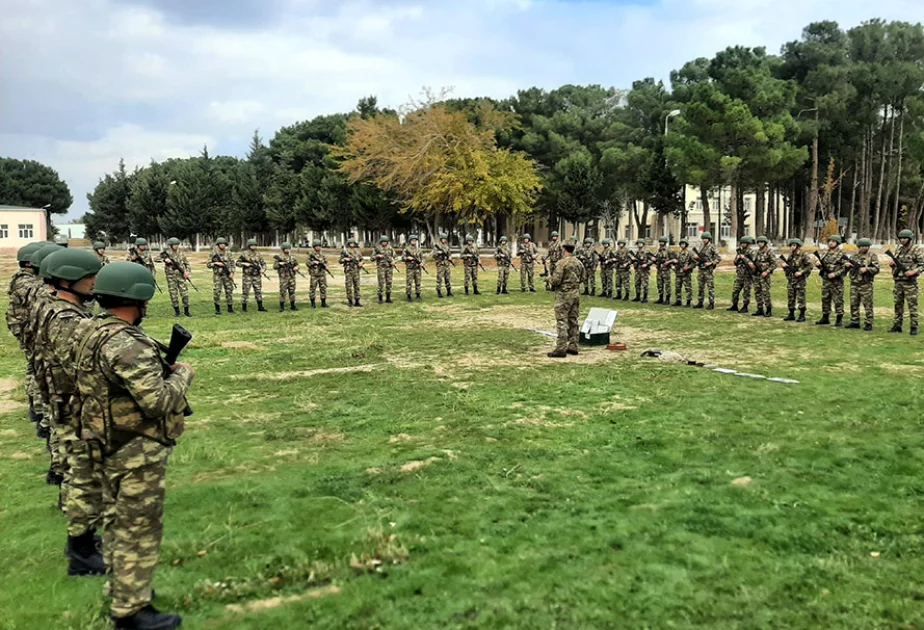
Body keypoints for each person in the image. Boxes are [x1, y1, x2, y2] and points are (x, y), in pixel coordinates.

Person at [72, 262, 194, 630]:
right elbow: (157, 402)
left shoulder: (92, 330)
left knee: (115, 521)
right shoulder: (126, 344)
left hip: (106, 442)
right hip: (135, 449)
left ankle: (123, 587)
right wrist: (184, 376)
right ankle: (131, 610)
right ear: (137, 299)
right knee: (138, 528)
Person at [33, 249, 105, 576]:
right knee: (83, 474)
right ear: (67, 280)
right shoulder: (65, 319)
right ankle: (82, 551)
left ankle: (84, 540)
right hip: (72, 404)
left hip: (65, 400)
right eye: (89, 277)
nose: (94, 283)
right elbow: (78, 366)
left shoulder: (59, 308)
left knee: (79, 471)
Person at [7, 242, 45, 428]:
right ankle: (37, 410)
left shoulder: (22, 279)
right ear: (30, 264)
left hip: (25, 329)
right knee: (38, 368)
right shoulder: (27, 283)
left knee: (34, 368)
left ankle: (34, 407)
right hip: (29, 331)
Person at [546, 243, 584, 358]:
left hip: (564, 295)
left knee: (562, 320)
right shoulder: (579, 263)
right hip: (575, 294)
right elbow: (583, 278)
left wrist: (549, 279)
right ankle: (573, 346)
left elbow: (556, 280)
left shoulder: (562, 263)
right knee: (573, 319)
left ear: (564, 251)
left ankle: (561, 348)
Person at [888, 228, 924, 335]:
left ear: (910, 239)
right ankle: (897, 325)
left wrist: (913, 272)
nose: (902, 240)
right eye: (901, 238)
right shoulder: (899, 249)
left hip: (910, 283)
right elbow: (896, 261)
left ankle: (914, 326)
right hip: (898, 281)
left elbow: (922, 265)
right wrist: (892, 264)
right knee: (898, 305)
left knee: (912, 305)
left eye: (905, 238)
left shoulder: (916, 250)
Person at [843, 237, 879, 331]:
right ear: (859, 247)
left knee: (868, 304)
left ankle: (869, 322)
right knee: (853, 303)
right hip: (854, 283)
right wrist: (847, 266)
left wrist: (867, 269)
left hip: (866, 284)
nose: (864, 248)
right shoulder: (854, 257)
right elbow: (847, 268)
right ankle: (855, 321)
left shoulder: (872, 256)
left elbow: (876, 269)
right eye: (862, 246)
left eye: (866, 246)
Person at [814, 235, 847, 327]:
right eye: (830, 241)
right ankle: (825, 317)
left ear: (837, 243)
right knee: (825, 299)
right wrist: (818, 265)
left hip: (837, 282)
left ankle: (839, 319)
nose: (831, 243)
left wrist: (835, 274)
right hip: (826, 280)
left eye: (833, 241)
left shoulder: (842, 254)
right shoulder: (825, 253)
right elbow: (823, 267)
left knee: (838, 300)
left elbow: (845, 268)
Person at [779, 238, 813, 322]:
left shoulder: (803, 255)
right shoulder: (791, 255)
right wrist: (785, 267)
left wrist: (801, 272)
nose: (792, 247)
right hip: (791, 279)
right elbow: (789, 267)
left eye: (794, 245)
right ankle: (791, 314)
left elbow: (810, 265)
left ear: (798, 246)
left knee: (801, 297)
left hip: (800, 280)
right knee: (791, 297)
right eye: (791, 245)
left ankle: (802, 315)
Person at [158, 238, 192, 318]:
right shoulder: (166, 253)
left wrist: (187, 272)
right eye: (174, 245)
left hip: (181, 276)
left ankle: (186, 311)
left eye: (177, 245)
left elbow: (187, 264)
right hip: (171, 277)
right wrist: (165, 260)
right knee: (173, 294)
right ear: (171, 245)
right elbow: (156, 259)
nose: (176, 246)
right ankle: (177, 312)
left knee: (185, 294)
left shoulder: (181, 253)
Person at [206, 237, 236, 315]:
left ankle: (230, 308)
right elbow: (208, 264)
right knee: (217, 291)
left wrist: (232, 273)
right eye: (221, 244)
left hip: (227, 275)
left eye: (224, 244)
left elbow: (232, 263)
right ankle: (217, 309)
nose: (223, 245)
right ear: (218, 244)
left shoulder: (228, 252)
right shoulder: (213, 253)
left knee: (229, 291)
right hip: (217, 276)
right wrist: (216, 263)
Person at [237, 239, 268, 312]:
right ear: (249, 246)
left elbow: (263, 263)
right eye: (252, 245)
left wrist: (263, 269)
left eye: (255, 245)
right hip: (247, 276)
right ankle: (244, 308)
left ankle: (260, 307)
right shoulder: (244, 254)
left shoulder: (258, 254)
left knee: (258, 291)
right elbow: (238, 263)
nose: (254, 246)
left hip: (256, 275)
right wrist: (244, 264)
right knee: (245, 292)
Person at [693, 232, 721, 310]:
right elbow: (698, 258)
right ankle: (700, 302)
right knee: (700, 287)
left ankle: (711, 303)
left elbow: (718, 258)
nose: (704, 240)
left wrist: (711, 263)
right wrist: (696, 258)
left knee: (710, 287)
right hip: (701, 269)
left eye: (705, 239)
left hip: (708, 270)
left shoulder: (712, 247)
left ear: (709, 239)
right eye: (703, 239)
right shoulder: (701, 247)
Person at [752, 236, 777, 317]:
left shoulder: (769, 252)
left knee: (765, 293)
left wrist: (767, 271)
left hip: (765, 276)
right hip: (757, 275)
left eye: (761, 242)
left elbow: (774, 264)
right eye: (759, 242)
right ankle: (760, 309)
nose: (760, 244)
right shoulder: (757, 252)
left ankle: (768, 309)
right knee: (757, 292)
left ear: (765, 243)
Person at [729, 236, 755, 313]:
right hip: (740, 275)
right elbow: (735, 263)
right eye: (742, 243)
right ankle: (734, 305)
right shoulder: (740, 252)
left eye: (744, 243)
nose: (743, 244)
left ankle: (745, 306)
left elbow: (753, 264)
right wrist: (737, 258)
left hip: (747, 275)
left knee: (746, 292)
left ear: (748, 244)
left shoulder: (751, 252)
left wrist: (744, 258)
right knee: (735, 290)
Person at [273, 242, 300, 311]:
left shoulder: (292, 257)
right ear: (283, 249)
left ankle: (293, 305)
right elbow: (274, 266)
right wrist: (280, 264)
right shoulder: (279, 257)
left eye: (288, 249)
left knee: (292, 291)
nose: (287, 250)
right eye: (285, 249)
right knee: (283, 292)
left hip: (291, 277)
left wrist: (296, 267)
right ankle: (282, 307)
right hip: (283, 278)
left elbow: (297, 264)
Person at [340, 238, 365, 307]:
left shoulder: (358, 251)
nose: (352, 244)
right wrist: (345, 259)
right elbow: (340, 260)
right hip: (348, 271)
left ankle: (357, 301)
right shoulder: (345, 251)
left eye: (353, 243)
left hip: (356, 271)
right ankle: (350, 301)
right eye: (351, 243)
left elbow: (362, 259)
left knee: (357, 286)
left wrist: (361, 263)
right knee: (348, 286)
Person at [306, 240, 330, 308]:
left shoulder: (322, 255)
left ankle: (323, 302)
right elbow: (307, 263)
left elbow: (326, 262)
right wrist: (314, 262)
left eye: (319, 246)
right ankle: (313, 303)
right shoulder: (311, 255)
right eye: (317, 246)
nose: (318, 248)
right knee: (312, 289)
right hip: (314, 275)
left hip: (322, 274)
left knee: (323, 288)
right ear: (314, 247)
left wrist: (325, 265)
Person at [373, 235, 397, 303]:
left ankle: (388, 297)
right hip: (381, 268)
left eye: (386, 242)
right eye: (383, 242)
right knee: (381, 283)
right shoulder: (377, 248)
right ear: (381, 242)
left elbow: (396, 256)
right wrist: (377, 256)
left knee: (389, 282)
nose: (384, 243)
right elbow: (371, 258)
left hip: (389, 268)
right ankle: (380, 298)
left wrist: (394, 261)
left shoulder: (390, 248)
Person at [402, 235, 424, 301]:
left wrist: (422, 263)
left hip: (417, 268)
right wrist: (407, 258)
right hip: (410, 268)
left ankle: (418, 294)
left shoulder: (419, 249)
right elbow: (403, 258)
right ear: (410, 241)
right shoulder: (406, 249)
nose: (414, 242)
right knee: (409, 282)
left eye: (415, 240)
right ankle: (409, 295)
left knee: (418, 282)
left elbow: (422, 258)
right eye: (412, 240)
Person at [431, 233, 454, 298]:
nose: (444, 240)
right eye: (443, 239)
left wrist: (450, 257)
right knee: (439, 278)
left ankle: (449, 291)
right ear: (441, 239)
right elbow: (434, 255)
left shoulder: (446, 246)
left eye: (445, 239)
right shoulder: (437, 246)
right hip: (440, 264)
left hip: (446, 264)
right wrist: (439, 253)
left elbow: (449, 253)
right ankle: (439, 291)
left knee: (448, 278)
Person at [654, 236, 674, 305]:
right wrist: (655, 260)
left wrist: (668, 262)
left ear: (665, 242)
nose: (661, 243)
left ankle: (667, 299)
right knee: (659, 284)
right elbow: (657, 259)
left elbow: (674, 259)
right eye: (660, 242)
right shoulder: (659, 250)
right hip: (659, 270)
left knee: (667, 284)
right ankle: (660, 298)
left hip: (666, 270)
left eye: (662, 242)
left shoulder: (669, 250)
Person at [673, 239, 694, 307]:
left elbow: (694, 263)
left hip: (686, 274)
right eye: (681, 244)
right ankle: (678, 300)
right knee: (678, 287)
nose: (682, 245)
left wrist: (688, 267)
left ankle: (688, 302)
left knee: (688, 288)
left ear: (686, 245)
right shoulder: (679, 253)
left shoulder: (690, 253)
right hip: (679, 273)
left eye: (683, 244)